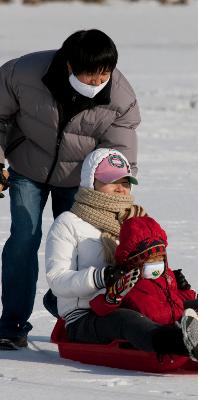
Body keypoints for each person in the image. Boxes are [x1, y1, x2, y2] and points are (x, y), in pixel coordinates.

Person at [0, 29, 140, 349]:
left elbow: (118, 155)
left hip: (81, 181)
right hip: (27, 168)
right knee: (25, 236)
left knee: (86, 248)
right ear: (68, 66)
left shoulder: (120, 97)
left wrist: (117, 197)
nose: (96, 82)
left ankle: (71, 310)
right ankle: (11, 325)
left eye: (103, 75)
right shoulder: (22, 73)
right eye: (89, 76)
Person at [45, 148, 198, 363]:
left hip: (136, 301)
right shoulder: (68, 223)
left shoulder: (136, 220)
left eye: (125, 183)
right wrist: (102, 277)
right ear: (90, 181)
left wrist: (170, 280)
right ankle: (180, 343)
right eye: (111, 181)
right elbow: (57, 280)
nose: (120, 189)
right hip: (87, 316)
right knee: (128, 320)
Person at [90, 215, 198, 347]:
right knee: (141, 323)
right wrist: (114, 296)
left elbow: (176, 296)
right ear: (134, 261)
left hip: (177, 318)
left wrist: (192, 295)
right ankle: (189, 339)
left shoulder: (167, 275)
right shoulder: (127, 280)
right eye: (151, 259)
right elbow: (100, 308)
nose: (157, 263)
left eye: (160, 257)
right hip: (157, 329)